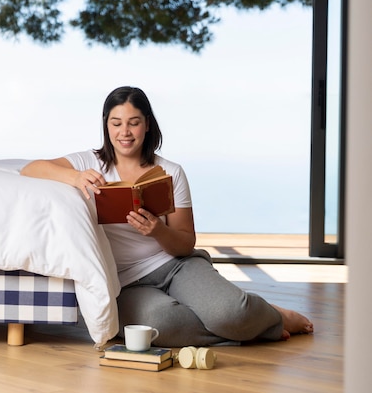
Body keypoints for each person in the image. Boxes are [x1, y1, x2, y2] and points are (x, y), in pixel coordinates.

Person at [20, 86, 314, 347]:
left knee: (229, 312)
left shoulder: (171, 172)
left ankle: (266, 316)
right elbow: (30, 169)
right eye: (116, 123)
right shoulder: (88, 162)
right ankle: (255, 326)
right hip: (126, 282)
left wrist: (157, 230)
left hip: (176, 266)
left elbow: (186, 244)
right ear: (106, 127)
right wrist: (75, 177)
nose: (125, 132)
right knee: (163, 326)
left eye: (134, 123)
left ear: (147, 125)